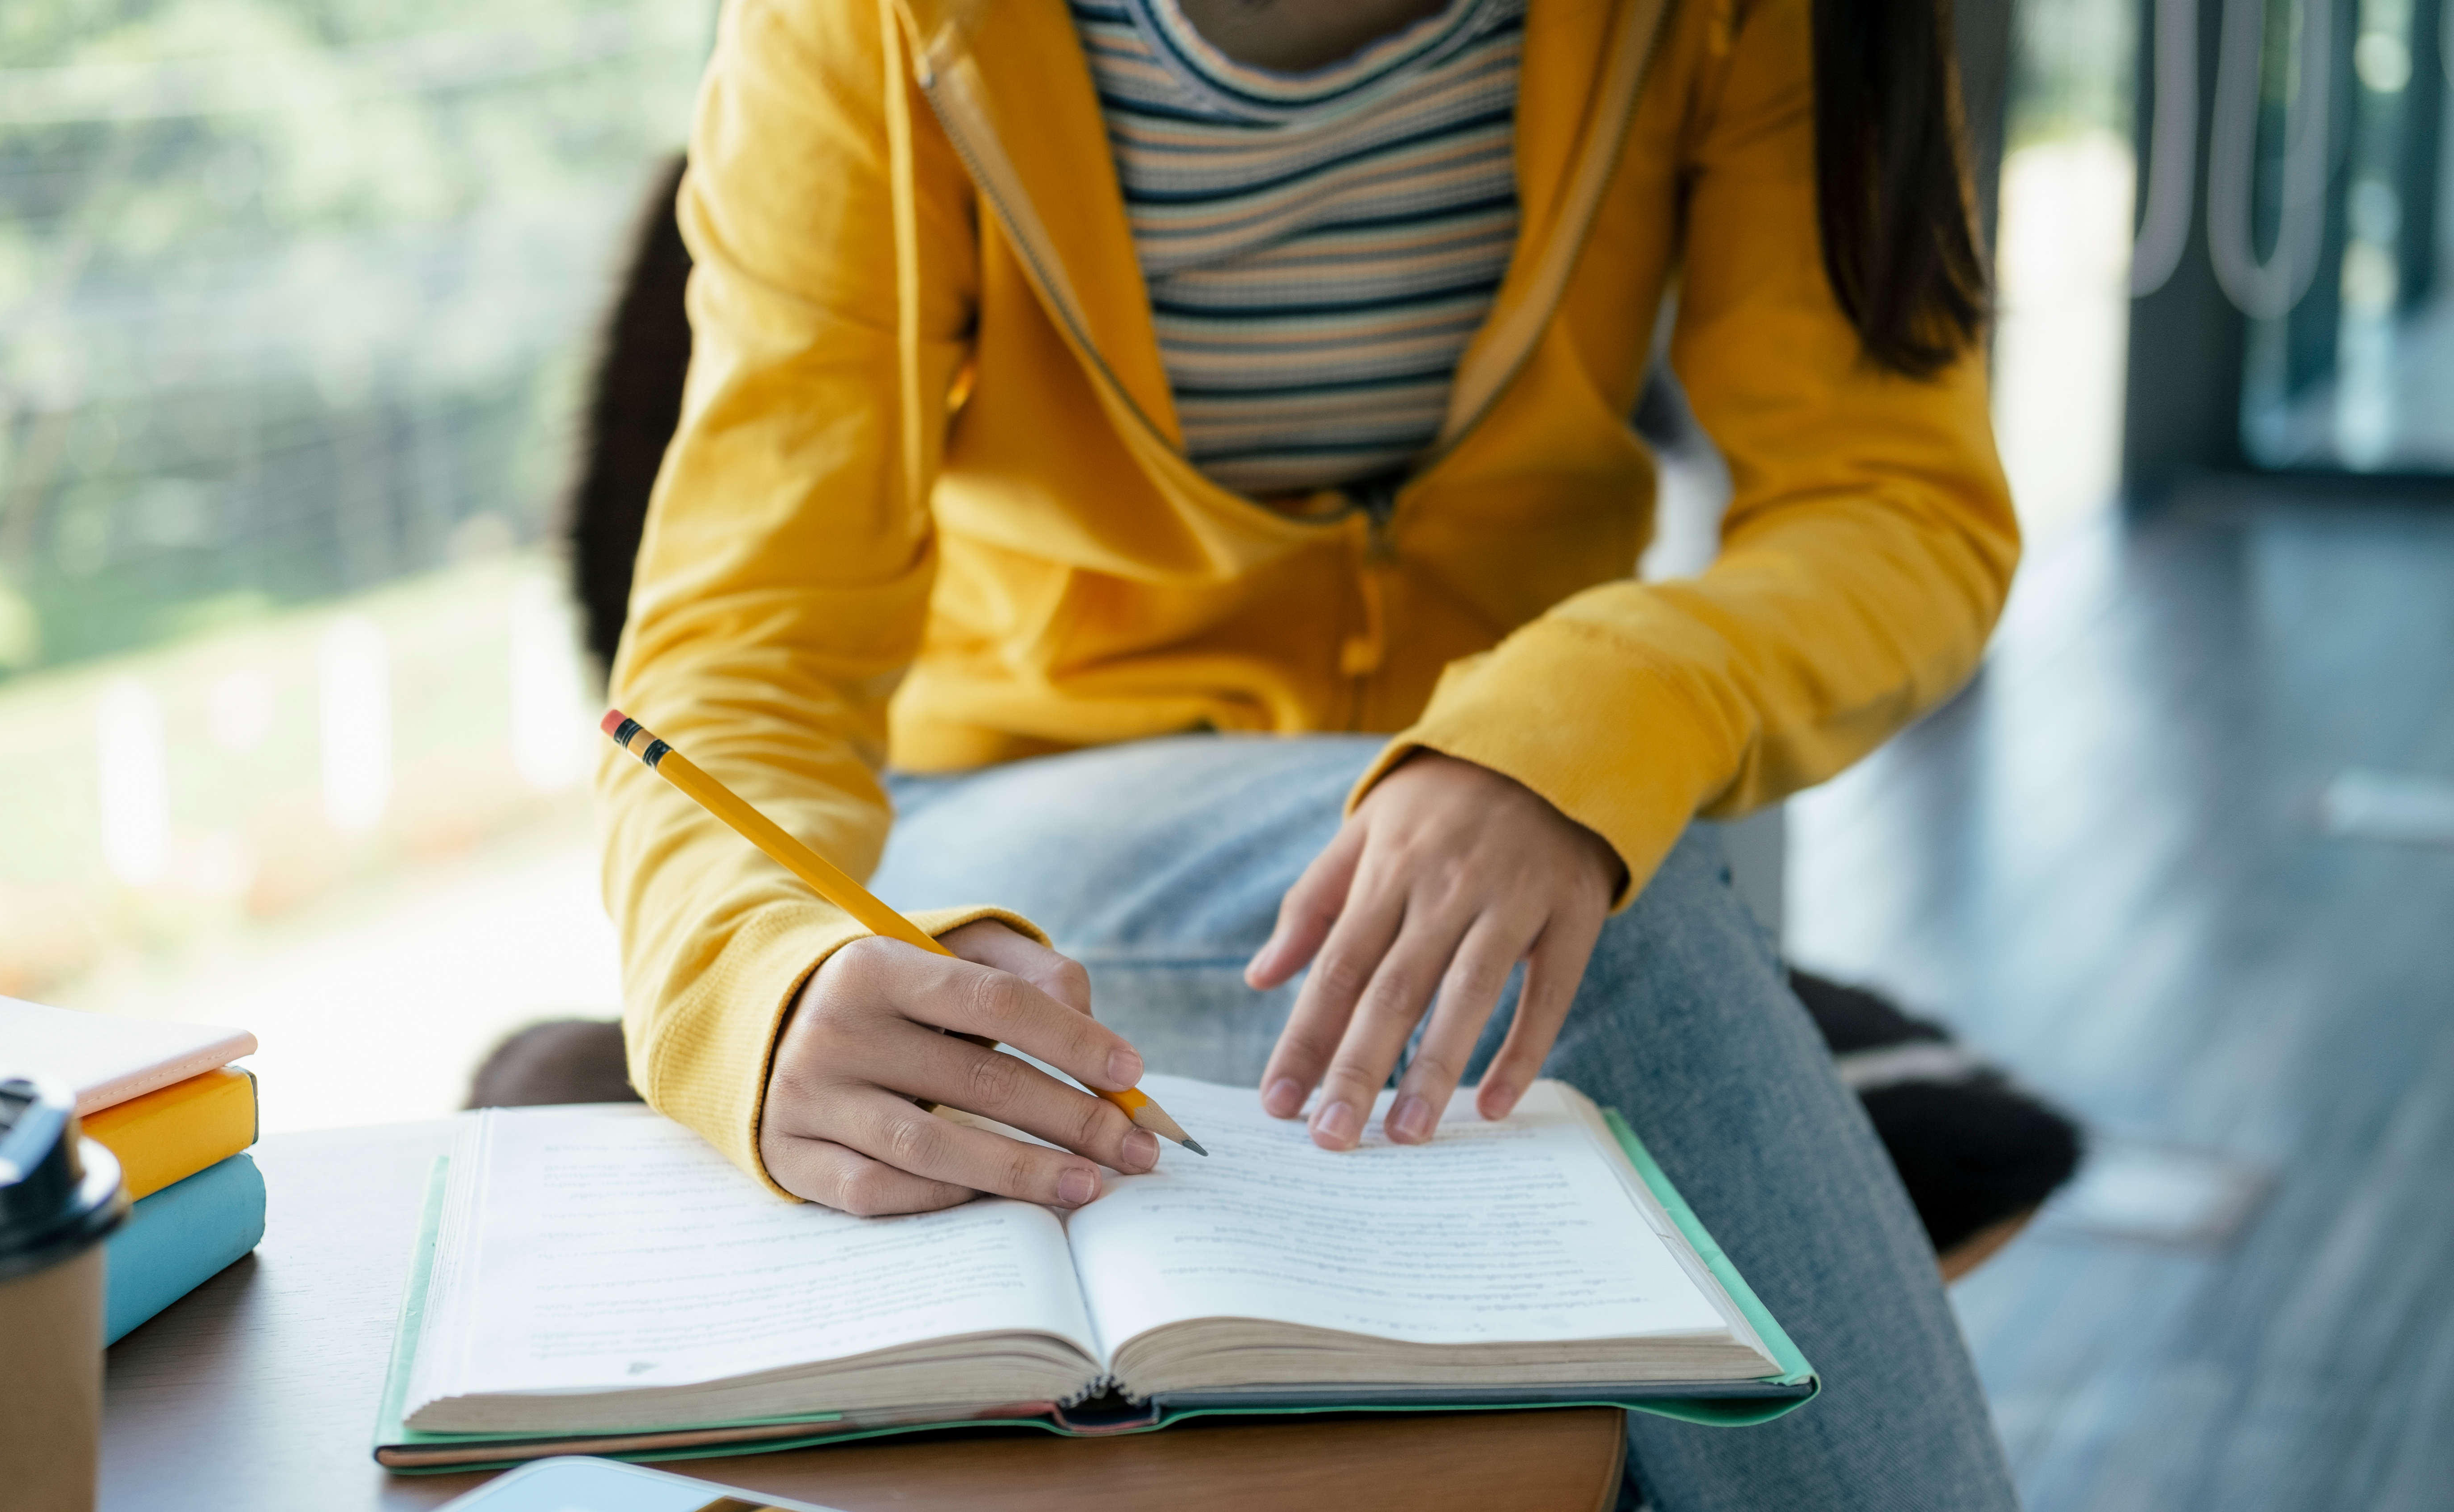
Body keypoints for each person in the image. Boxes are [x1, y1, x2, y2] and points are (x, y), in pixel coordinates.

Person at [598, 0, 2019, 1505]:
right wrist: (747, 967)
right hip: (1011, 823)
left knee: (1554, 894)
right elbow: (746, 640)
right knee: (1588, 945)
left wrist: (1581, 723)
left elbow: (1898, 506)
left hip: (1481, 774)